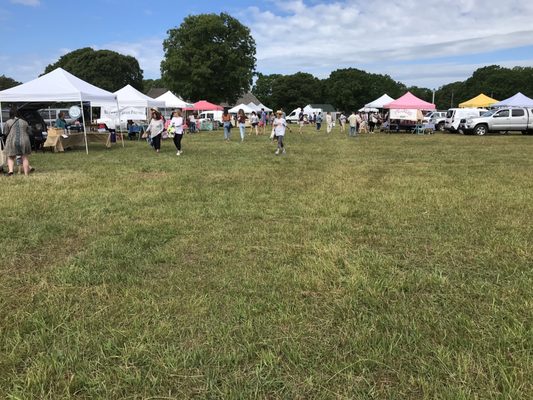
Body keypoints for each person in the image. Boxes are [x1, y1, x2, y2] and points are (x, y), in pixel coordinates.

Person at [3, 108, 32, 176]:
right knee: (24, 157)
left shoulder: (8, 122)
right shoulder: (25, 122)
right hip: (24, 140)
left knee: (10, 157)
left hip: (12, 141)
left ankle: (11, 171)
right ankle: (26, 174)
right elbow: (29, 132)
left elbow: (5, 132)